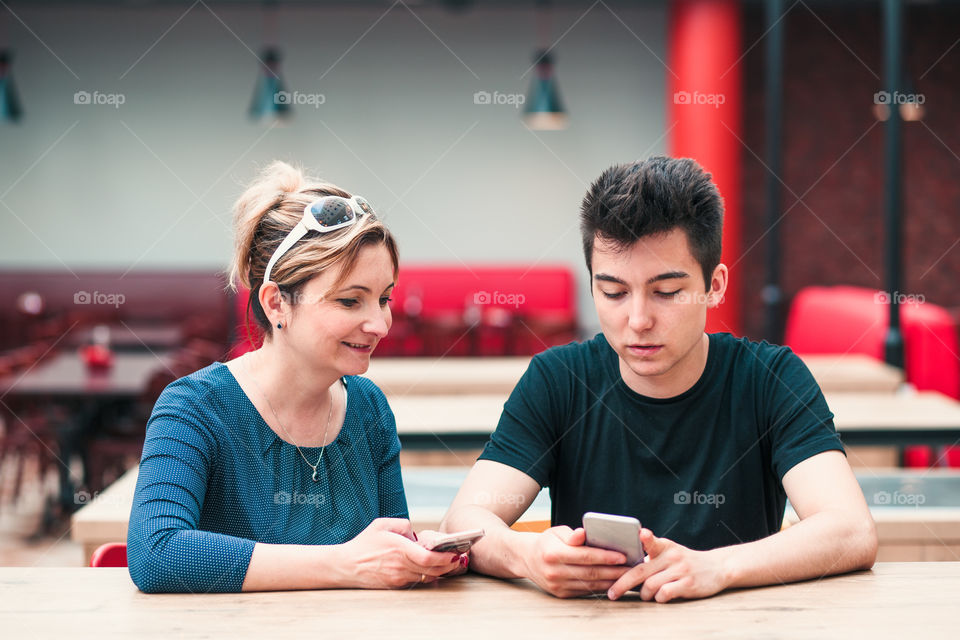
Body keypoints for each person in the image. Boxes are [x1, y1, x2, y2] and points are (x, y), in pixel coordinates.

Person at [441, 156, 877, 601]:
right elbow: (463, 522)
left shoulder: (769, 379)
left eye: (666, 292)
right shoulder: (558, 380)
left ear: (716, 284)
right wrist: (526, 555)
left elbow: (850, 529)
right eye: (613, 292)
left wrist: (719, 566)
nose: (638, 319)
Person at [128, 161, 464, 593]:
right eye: (349, 301)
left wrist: (416, 555)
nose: (380, 324)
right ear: (276, 304)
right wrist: (344, 564)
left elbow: (384, 547)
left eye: (384, 299)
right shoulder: (193, 408)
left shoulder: (369, 408)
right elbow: (157, 554)